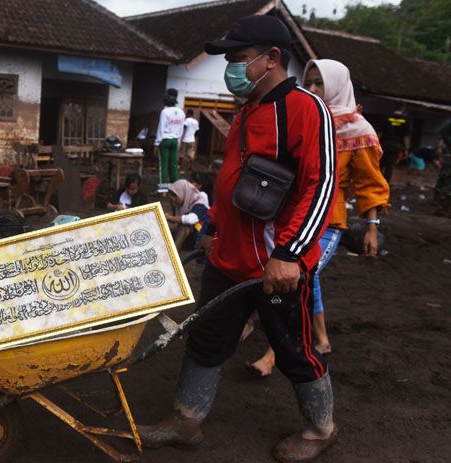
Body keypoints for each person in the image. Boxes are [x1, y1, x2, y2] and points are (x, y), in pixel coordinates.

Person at [136, 16, 338, 463]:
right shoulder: (247, 110)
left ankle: (321, 427)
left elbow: (320, 186)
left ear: (271, 58)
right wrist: (211, 231)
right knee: (207, 340)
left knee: (293, 349)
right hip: (228, 260)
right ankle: (186, 419)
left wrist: (288, 253)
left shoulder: (306, 109)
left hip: (276, 266)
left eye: (239, 58)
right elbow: (232, 182)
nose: (231, 67)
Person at [246, 59, 391, 377]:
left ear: (337, 86)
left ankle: (274, 354)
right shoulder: (307, 118)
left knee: (294, 280)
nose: (311, 89)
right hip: (291, 215)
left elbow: (370, 184)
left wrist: (372, 227)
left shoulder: (358, 131)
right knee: (311, 279)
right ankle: (322, 339)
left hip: (328, 220)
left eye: (319, 83)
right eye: (308, 82)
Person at [164, 179, 209, 250]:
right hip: (187, 235)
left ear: (183, 193)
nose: (173, 199)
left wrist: (170, 218)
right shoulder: (183, 201)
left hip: (197, 239)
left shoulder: (199, 203)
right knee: (165, 223)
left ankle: (173, 253)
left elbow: (192, 219)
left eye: (175, 196)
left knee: (184, 226)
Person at [154, 88, 185, 189]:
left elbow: (160, 128)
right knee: (173, 166)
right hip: (175, 141)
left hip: (165, 141)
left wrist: (156, 143)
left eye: (165, 98)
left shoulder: (165, 111)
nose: (163, 100)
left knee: (163, 165)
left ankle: (163, 189)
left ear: (167, 100)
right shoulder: (181, 112)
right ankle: (175, 189)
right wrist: (178, 143)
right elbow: (181, 130)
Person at [377, 102, 411, 184]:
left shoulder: (386, 117)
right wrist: (406, 149)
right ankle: (385, 186)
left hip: (384, 145)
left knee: (380, 165)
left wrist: (375, 145)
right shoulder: (405, 120)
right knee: (390, 167)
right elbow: (406, 137)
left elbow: (379, 133)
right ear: (403, 109)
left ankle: (376, 183)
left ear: (394, 108)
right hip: (396, 146)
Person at [434, 117, 451, 218]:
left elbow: (444, 131)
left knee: (449, 182)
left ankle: (448, 209)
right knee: (450, 182)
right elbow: (444, 131)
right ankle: (445, 209)